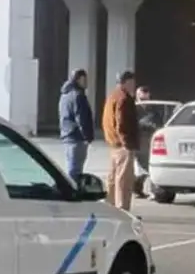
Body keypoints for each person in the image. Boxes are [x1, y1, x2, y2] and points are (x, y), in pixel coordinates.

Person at [101, 70, 140, 211]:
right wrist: (127, 143)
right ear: (127, 82)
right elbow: (121, 123)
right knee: (124, 181)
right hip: (123, 145)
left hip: (113, 144)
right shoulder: (124, 99)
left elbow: (106, 121)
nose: (134, 85)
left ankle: (109, 206)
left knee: (113, 179)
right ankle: (122, 210)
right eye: (132, 82)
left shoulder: (112, 96)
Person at [58, 68, 95, 183]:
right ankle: (72, 192)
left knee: (71, 167)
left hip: (67, 135)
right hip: (76, 137)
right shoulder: (78, 96)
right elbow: (81, 118)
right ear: (78, 79)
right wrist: (87, 137)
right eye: (84, 79)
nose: (86, 82)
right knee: (75, 171)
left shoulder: (64, 96)